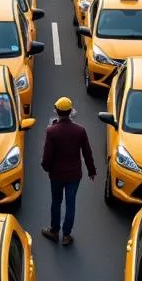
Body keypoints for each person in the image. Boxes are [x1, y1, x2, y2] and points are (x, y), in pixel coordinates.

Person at [40, 97, 95, 246]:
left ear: (57, 111)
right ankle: (66, 235)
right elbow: (87, 153)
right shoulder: (80, 131)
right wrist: (91, 171)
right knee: (71, 203)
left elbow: (47, 155)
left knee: (56, 201)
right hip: (74, 175)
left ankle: (54, 230)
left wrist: (46, 167)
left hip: (56, 175)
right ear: (70, 112)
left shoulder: (51, 131)